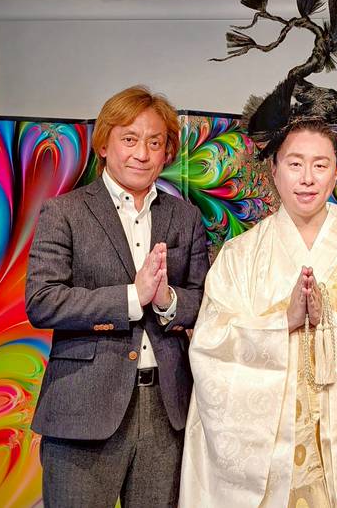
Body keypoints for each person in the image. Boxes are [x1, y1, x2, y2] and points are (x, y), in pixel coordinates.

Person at [180, 120, 337, 507]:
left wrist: (331, 325)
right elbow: (211, 346)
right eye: (295, 164)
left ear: (336, 173)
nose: (307, 178)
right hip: (269, 459)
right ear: (274, 170)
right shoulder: (240, 258)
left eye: (320, 165)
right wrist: (283, 322)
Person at [25, 85, 209, 507]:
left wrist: (166, 300)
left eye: (154, 142)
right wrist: (132, 296)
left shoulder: (185, 217)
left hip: (166, 410)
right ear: (104, 144)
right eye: (129, 139)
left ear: (167, 153)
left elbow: (203, 300)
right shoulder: (64, 212)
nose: (142, 153)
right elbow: (43, 300)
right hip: (82, 411)